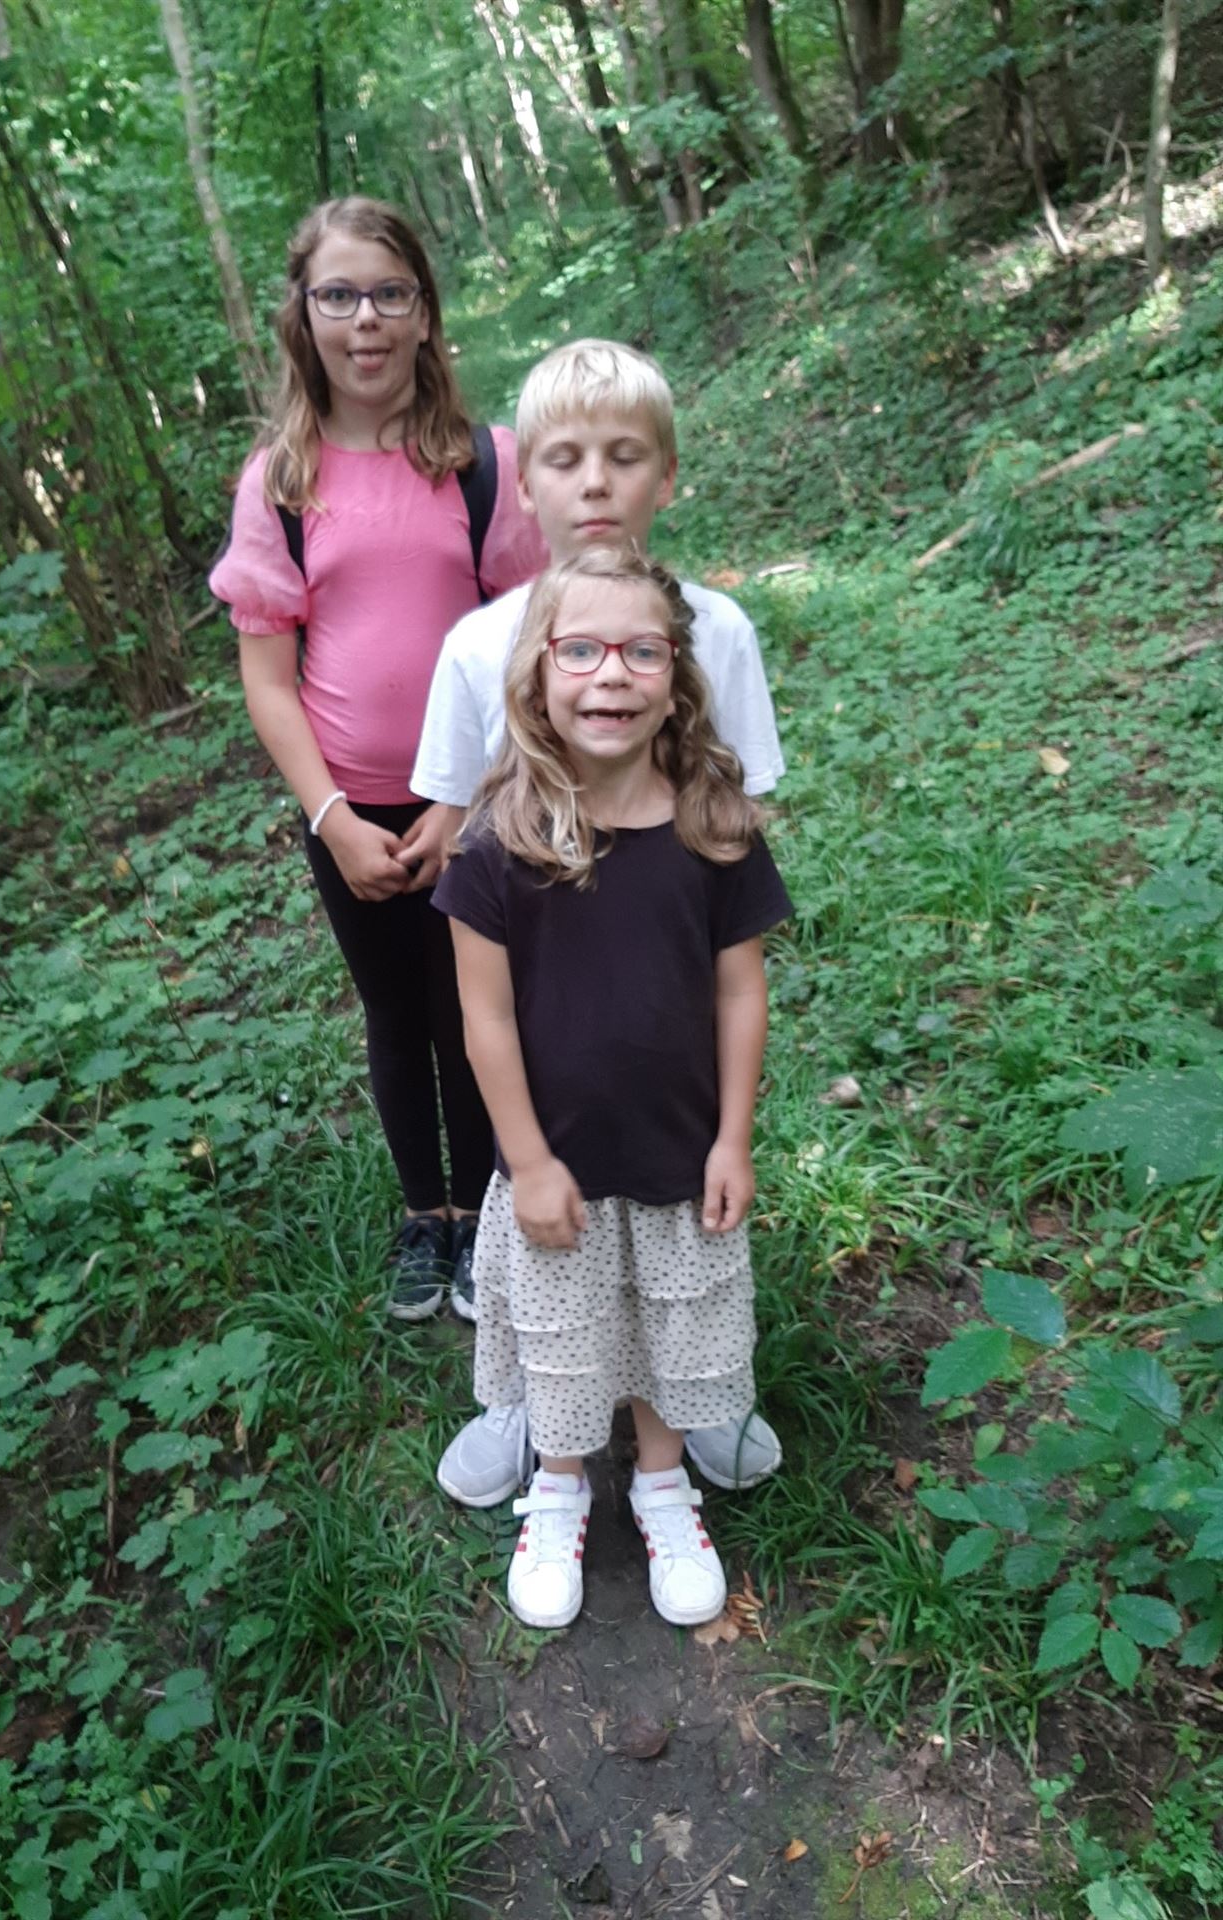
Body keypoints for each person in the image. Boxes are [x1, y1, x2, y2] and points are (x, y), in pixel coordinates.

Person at [414, 339, 786, 1505]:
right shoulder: (478, 644)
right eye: (565, 459)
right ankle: (534, 1402)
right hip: (545, 1002)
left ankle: (695, 1388)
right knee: (549, 1228)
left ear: (665, 476)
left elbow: (740, 809)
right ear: (524, 483)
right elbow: (461, 819)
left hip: (666, 1007)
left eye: (624, 457)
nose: (595, 483)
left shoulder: (719, 628)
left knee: (677, 1219)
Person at [433, 547, 792, 1628]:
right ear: (538, 673)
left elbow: (740, 991)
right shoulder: (496, 844)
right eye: (581, 650)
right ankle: (558, 1487)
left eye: (642, 652)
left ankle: (662, 1482)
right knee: (567, 1335)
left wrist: (733, 1139)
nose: (611, 676)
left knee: (673, 1328)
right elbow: (485, 1020)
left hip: (681, 1153)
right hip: (560, 1167)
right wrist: (528, 1162)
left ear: (677, 676)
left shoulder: (712, 830)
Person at [209, 197, 547, 1320]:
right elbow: (270, 680)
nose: (366, 319)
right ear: (303, 317)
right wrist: (332, 819)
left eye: (390, 294)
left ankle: (493, 1213)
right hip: (348, 809)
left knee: (476, 1010)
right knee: (397, 1010)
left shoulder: (485, 466)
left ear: (425, 313)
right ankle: (426, 1216)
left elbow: (531, 645)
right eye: (340, 295)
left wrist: (467, 800)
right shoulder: (280, 483)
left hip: (480, 800)